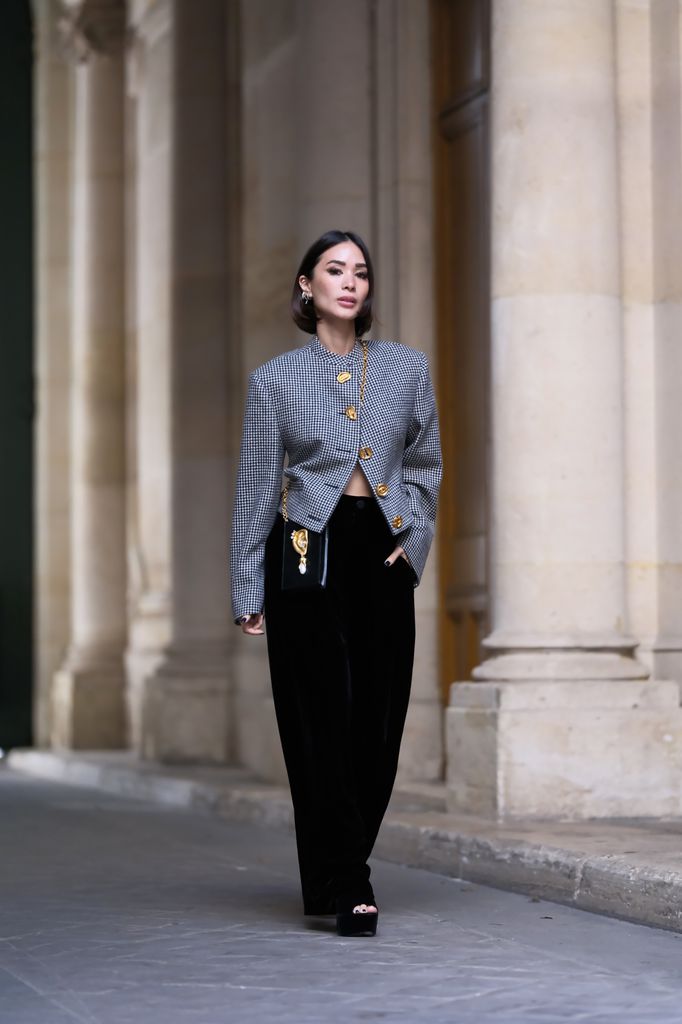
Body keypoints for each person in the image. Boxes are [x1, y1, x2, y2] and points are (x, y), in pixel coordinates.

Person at [230, 229, 442, 937]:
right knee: (317, 721)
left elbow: (426, 463)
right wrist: (245, 590)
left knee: (377, 724)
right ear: (306, 286)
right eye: (334, 270)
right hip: (303, 551)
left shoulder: (408, 369)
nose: (349, 282)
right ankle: (351, 880)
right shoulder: (274, 380)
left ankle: (328, 872)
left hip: (381, 552)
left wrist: (412, 535)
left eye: (360, 273)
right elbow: (258, 487)